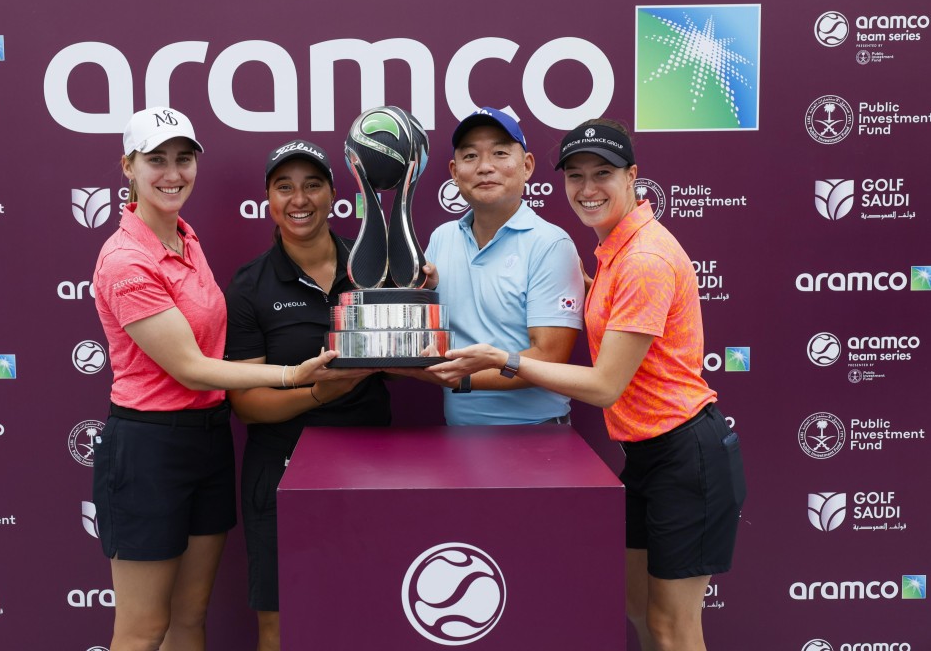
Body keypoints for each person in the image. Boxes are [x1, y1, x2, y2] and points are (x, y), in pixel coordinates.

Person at [430, 119, 747, 651]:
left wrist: (504, 358)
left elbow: (604, 387)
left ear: (633, 177)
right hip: (648, 454)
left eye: (603, 173)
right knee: (641, 613)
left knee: (673, 627)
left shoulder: (643, 257)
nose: (588, 188)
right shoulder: (615, 250)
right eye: (575, 176)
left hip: (686, 453)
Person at [91, 109, 354, 651]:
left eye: (183, 159)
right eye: (156, 160)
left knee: (190, 618)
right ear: (128, 167)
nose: (172, 173)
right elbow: (188, 366)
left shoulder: (187, 239)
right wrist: (290, 375)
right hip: (148, 445)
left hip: (206, 437)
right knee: (142, 630)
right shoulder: (125, 259)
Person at [224, 140, 391, 651]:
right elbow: (247, 403)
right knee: (281, 623)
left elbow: (415, 353)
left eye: (313, 184)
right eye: (285, 187)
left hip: (370, 464)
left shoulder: (377, 270)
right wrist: (320, 391)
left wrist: (417, 299)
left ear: (335, 194)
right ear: (268, 200)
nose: (300, 199)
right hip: (282, 468)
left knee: (369, 612)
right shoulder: (250, 286)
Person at [400, 107, 584, 425]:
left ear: (526, 166)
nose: (485, 167)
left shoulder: (550, 244)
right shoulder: (442, 238)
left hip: (537, 437)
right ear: (455, 172)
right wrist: (420, 296)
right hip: (459, 436)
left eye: (499, 153)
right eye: (471, 156)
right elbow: (425, 335)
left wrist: (460, 378)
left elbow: (549, 359)